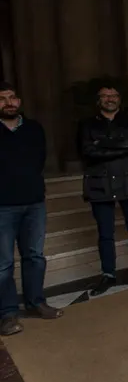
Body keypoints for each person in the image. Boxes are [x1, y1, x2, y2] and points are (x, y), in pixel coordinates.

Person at [0, 81, 63, 336]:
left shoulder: (34, 129)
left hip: (34, 202)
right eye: (2, 98)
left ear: (19, 101)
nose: (8, 102)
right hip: (2, 206)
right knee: (3, 263)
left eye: (12, 97)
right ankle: (7, 313)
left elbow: (39, 160)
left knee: (35, 256)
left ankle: (36, 302)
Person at [78, 85, 128, 295]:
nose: (109, 99)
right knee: (105, 233)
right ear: (98, 100)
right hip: (100, 183)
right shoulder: (87, 124)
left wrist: (103, 144)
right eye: (105, 96)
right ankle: (108, 274)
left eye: (114, 95)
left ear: (119, 99)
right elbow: (87, 151)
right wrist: (121, 147)